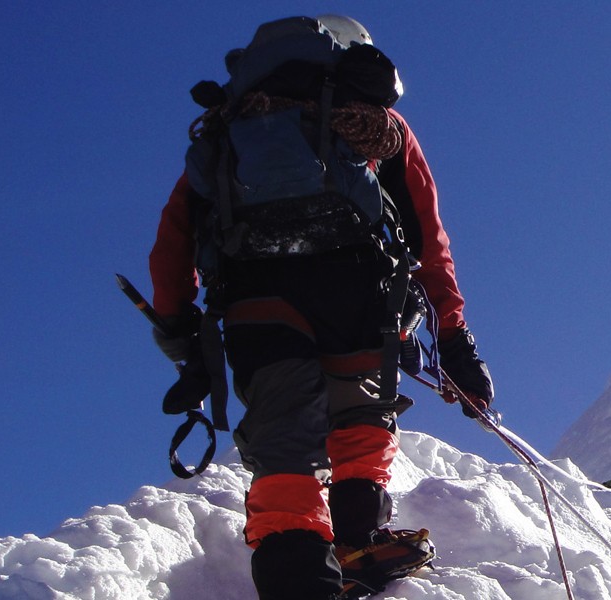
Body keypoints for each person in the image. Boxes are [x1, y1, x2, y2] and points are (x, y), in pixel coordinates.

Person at [148, 15, 494, 599]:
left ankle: (298, 582)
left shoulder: (228, 130)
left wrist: (184, 341)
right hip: (359, 288)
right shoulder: (376, 126)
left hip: (253, 294)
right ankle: (358, 540)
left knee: (283, 446)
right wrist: (455, 339)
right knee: (360, 417)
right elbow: (427, 238)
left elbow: (174, 238)